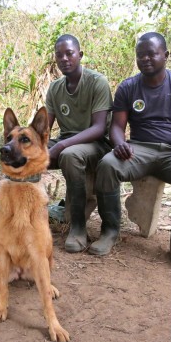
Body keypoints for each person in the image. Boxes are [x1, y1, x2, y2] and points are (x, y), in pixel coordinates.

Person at [95, 32, 171, 257]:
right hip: (139, 149)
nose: (145, 59)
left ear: (166, 55)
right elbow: (117, 127)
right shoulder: (128, 87)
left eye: (151, 54)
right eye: (140, 55)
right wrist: (119, 143)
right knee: (108, 165)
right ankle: (109, 231)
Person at [45, 34, 113, 254]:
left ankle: (78, 227)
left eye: (69, 53)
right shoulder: (55, 88)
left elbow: (99, 128)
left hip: (97, 143)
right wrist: (29, 145)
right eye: (59, 55)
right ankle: (24, 217)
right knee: (22, 153)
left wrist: (61, 147)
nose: (64, 58)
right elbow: (43, 129)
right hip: (67, 141)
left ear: (80, 55)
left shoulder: (97, 82)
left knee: (70, 155)